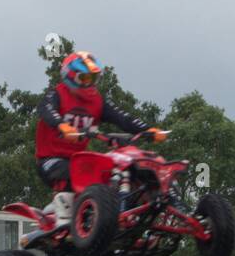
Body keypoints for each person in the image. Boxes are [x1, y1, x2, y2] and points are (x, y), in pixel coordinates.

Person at [33, 51, 164, 229]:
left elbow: (122, 117)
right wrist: (61, 125)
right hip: (50, 159)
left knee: (110, 176)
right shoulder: (56, 95)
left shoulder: (97, 101)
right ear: (70, 77)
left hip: (80, 160)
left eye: (93, 78)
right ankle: (63, 222)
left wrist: (148, 130)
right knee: (73, 174)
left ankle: (112, 217)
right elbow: (46, 110)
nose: (89, 83)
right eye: (84, 78)